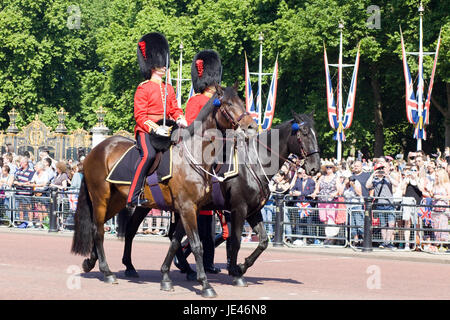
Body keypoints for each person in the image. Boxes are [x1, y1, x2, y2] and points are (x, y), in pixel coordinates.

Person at [126, 32, 187, 214]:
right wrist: (154, 128)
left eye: (164, 64)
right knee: (149, 155)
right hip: (146, 131)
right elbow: (140, 115)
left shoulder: (168, 88)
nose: (164, 67)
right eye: (160, 64)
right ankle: (133, 195)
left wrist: (179, 117)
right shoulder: (143, 88)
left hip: (167, 130)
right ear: (152, 66)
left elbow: (174, 108)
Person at [178, 49, 223, 274]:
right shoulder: (196, 100)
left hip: (215, 151)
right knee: (204, 229)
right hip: (201, 152)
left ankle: (208, 263)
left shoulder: (218, 101)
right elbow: (193, 127)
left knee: (209, 227)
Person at [366, 161, 399, 250]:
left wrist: (387, 175)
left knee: (391, 224)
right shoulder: (375, 180)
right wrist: (373, 174)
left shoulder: (388, 178)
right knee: (383, 225)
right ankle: (385, 242)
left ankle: (387, 242)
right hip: (380, 204)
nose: (380, 170)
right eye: (378, 169)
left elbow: (396, 184)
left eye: (382, 168)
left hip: (389, 204)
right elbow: (367, 185)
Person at [311, 161, 344, 245]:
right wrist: (314, 193)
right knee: (324, 219)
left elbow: (339, 190)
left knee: (331, 219)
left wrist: (334, 194)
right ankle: (328, 236)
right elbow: (317, 188)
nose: (328, 169)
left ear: (333, 168)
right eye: (327, 167)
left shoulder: (336, 177)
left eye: (330, 167)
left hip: (331, 201)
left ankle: (331, 238)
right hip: (322, 200)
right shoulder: (322, 177)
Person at [289, 167, 315, 245]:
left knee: (308, 223)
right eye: (303, 173)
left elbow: (310, 191)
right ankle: (298, 238)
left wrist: (300, 193)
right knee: (299, 222)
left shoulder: (311, 181)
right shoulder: (298, 181)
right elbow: (293, 189)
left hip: (308, 205)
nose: (304, 174)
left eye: (305, 173)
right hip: (299, 205)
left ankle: (310, 240)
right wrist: (292, 192)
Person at [430, 168, 450, 250]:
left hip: (443, 209)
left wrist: (440, 197)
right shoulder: (435, 184)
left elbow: (449, 196)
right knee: (436, 227)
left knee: (443, 227)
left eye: (437, 176)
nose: (436, 177)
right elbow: (432, 194)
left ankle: (444, 244)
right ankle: (437, 244)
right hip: (435, 209)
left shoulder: (447, 184)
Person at [13, 156, 35, 224]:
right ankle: (21, 221)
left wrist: (20, 184)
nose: (20, 164)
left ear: (26, 163)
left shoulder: (31, 171)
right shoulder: (18, 170)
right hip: (19, 192)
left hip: (27, 192)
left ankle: (30, 222)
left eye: (21, 162)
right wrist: (18, 183)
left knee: (29, 207)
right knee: (20, 207)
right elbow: (15, 180)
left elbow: (29, 182)